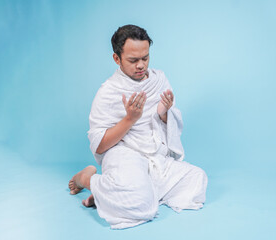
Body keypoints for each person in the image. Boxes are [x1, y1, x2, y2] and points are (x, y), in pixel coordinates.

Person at [68, 24, 208, 229]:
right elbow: (99, 145)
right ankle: (88, 179)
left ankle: (111, 197)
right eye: (133, 60)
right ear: (117, 59)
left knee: (197, 179)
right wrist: (130, 119)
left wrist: (163, 114)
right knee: (141, 206)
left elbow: (170, 128)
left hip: (154, 155)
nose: (141, 65)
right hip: (125, 154)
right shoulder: (108, 92)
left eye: (145, 58)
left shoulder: (159, 80)